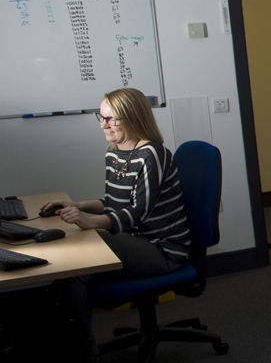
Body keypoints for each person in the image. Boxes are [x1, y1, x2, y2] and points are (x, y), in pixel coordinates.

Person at [44, 88, 191, 361]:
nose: (103, 125)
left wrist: (88, 224)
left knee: (79, 251)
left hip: (163, 249)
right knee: (73, 272)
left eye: (111, 119)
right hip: (133, 241)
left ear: (132, 117)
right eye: (100, 117)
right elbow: (113, 203)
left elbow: (138, 212)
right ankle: (81, 345)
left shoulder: (152, 154)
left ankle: (84, 349)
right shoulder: (113, 154)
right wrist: (78, 205)